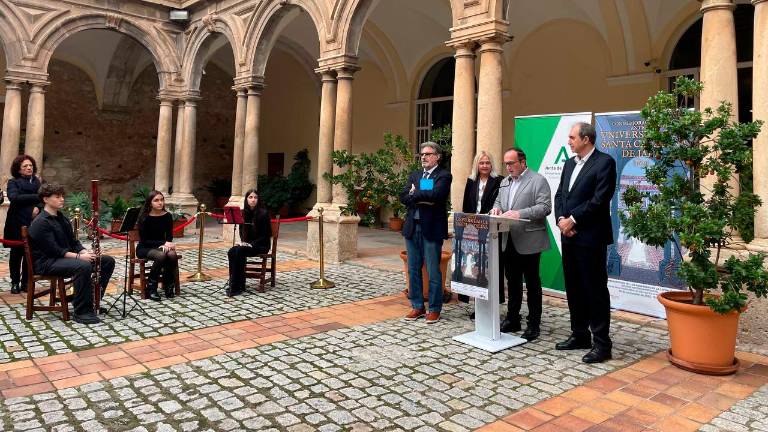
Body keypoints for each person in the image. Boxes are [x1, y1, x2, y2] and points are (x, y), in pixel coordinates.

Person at [554, 122, 617, 363]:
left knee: (595, 290)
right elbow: (560, 194)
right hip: (569, 236)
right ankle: (580, 335)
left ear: (586, 139)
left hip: (591, 237)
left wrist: (573, 220)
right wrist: (561, 220)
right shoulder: (569, 163)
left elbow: (600, 199)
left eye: (572, 137)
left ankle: (602, 344)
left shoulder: (604, 162)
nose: (569, 141)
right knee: (574, 287)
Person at [28, 183, 115, 324]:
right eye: (57, 197)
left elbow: (74, 242)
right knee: (83, 266)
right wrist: (80, 257)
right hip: (46, 262)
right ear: (45, 199)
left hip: (61, 259)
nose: (62, 199)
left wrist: (86, 252)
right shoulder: (41, 222)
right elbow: (54, 250)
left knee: (106, 261)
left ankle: (92, 301)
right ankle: (81, 311)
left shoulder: (61, 218)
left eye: (62, 196)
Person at [491, 148, 551, 341]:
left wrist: (520, 213)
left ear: (523, 162)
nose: (508, 167)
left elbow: (545, 207)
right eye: (506, 164)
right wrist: (496, 209)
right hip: (508, 238)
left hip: (529, 239)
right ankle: (513, 318)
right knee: (513, 281)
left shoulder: (538, 180)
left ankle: (533, 324)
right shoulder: (505, 182)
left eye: (511, 163)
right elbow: (498, 202)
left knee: (532, 283)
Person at [401, 141, 452, 324]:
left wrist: (416, 193)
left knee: (433, 270)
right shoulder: (415, 175)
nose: (423, 157)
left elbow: (436, 196)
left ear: (437, 157)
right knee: (413, 269)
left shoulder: (444, 175)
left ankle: (435, 309)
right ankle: (417, 306)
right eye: (422, 154)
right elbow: (403, 196)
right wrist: (419, 195)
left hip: (431, 229)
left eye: (428, 154)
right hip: (412, 227)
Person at [460, 151, 504, 316]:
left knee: (490, 269)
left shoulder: (500, 181)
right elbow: (466, 206)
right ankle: (478, 305)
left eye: (487, 162)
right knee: (474, 267)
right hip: (472, 231)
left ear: (492, 164)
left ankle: (492, 306)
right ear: (476, 165)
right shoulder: (471, 181)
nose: (484, 166)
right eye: (481, 163)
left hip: (491, 230)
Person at [4, 155, 42, 294]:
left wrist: (38, 206)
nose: (29, 168)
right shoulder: (13, 182)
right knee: (16, 253)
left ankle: (26, 282)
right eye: (25, 166)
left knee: (30, 254)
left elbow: (44, 199)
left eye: (30, 165)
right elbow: (14, 198)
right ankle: (15, 282)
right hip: (16, 222)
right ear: (18, 169)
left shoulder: (37, 181)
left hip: (33, 222)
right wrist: (37, 197)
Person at [227, 189, 272, 297]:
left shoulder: (263, 213)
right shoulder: (243, 213)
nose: (253, 200)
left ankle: (236, 286)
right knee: (232, 251)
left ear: (258, 199)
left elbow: (265, 235)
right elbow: (241, 231)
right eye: (250, 197)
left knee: (239, 251)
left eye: (255, 197)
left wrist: (251, 244)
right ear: (246, 199)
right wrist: (243, 242)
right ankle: (237, 282)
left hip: (261, 245)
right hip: (247, 245)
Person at [136, 190, 179, 301]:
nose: (160, 203)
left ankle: (169, 285)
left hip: (161, 247)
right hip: (145, 247)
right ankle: (151, 288)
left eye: (162, 200)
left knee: (172, 255)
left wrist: (168, 244)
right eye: (156, 200)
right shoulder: (144, 217)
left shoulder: (167, 216)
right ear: (150, 203)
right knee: (161, 256)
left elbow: (169, 236)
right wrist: (163, 243)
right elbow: (145, 240)